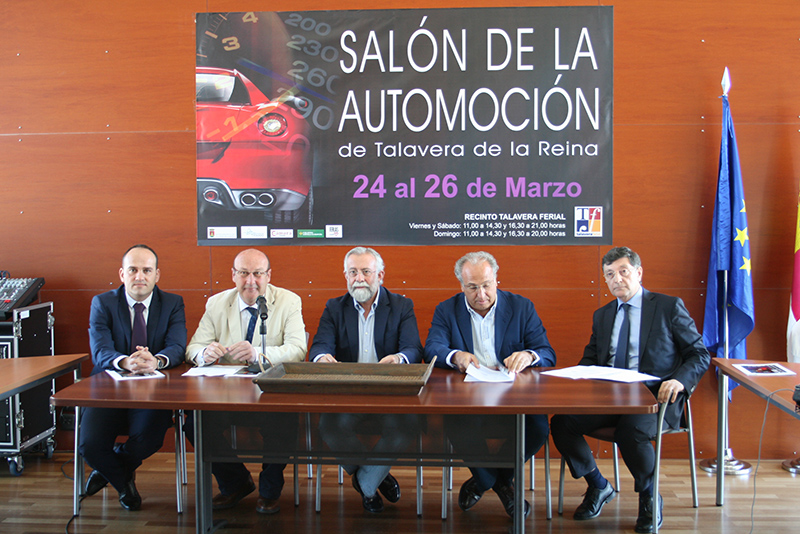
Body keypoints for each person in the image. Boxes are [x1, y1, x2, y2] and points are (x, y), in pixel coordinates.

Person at [550, 246, 710, 533]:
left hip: (656, 397)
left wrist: (679, 381)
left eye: (623, 271)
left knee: (631, 430)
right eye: (610, 274)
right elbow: (590, 359)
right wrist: (575, 377)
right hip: (611, 398)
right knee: (563, 423)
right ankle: (598, 486)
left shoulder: (668, 307)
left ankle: (649, 496)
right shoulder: (603, 315)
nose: (617, 279)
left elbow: (699, 354)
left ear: (638, 272)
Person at [424, 251, 556, 518]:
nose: (481, 294)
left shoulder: (521, 307)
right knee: (456, 424)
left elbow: (547, 352)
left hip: (514, 396)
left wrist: (529, 355)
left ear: (496, 280)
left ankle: (485, 481)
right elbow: (432, 348)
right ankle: (501, 485)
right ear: (461, 285)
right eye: (472, 287)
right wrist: (455, 356)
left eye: (486, 285)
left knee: (539, 427)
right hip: (467, 397)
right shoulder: (446, 310)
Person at [185, 248, 306, 515]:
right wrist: (204, 354)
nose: (251, 281)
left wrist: (258, 354)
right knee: (195, 423)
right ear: (233, 275)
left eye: (257, 274)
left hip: (270, 394)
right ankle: (236, 482)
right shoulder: (217, 303)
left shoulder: (288, 301)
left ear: (268, 275)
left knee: (283, 421)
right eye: (243, 273)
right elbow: (193, 347)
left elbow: (298, 349)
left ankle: (270, 491)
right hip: (227, 394)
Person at [308, 247, 423, 513]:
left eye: (366, 272)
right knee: (330, 427)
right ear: (346, 276)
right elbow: (319, 346)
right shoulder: (335, 307)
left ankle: (367, 484)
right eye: (353, 272)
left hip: (390, 392)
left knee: (405, 426)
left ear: (380, 275)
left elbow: (413, 349)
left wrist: (398, 359)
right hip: (348, 393)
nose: (359, 278)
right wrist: (322, 358)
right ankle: (376, 475)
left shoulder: (401, 306)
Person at [81, 244, 187, 511]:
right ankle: (123, 481)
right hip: (108, 388)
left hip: (154, 389)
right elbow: (100, 350)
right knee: (90, 446)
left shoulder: (172, 303)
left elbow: (177, 346)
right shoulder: (103, 303)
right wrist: (125, 361)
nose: (140, 276)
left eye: (147, 270)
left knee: (148, 439)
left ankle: (110, 470)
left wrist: (156, 361)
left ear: (157, 275)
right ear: (122, 274)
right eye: (133, 270)